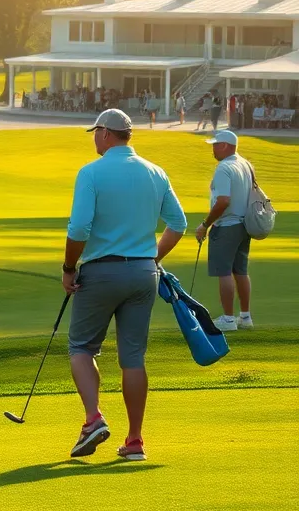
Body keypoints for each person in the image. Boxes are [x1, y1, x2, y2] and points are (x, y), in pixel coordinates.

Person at [62, 109, 187, 463]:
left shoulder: (91, 172)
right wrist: (153, 258)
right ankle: (134, 441)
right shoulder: (155, 172)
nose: (93, 137)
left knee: (81, 348)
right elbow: (178, 224)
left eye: (94, 132)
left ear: (104, 134)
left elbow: (79, 229)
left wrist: (69, 268)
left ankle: (93, 419)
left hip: (101, 272)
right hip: (143, 274)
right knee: (132, 357)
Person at [194, 130, 255, 333]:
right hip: (243, 225)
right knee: (240, 270)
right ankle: (245, 317)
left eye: (216, 145)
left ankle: (229, 319)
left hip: (227, 226)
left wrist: (205, 224)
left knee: (224, 272)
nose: (213, 149)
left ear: (226, 146)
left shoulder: (224, 168)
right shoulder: (245, 164)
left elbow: (223, 201)